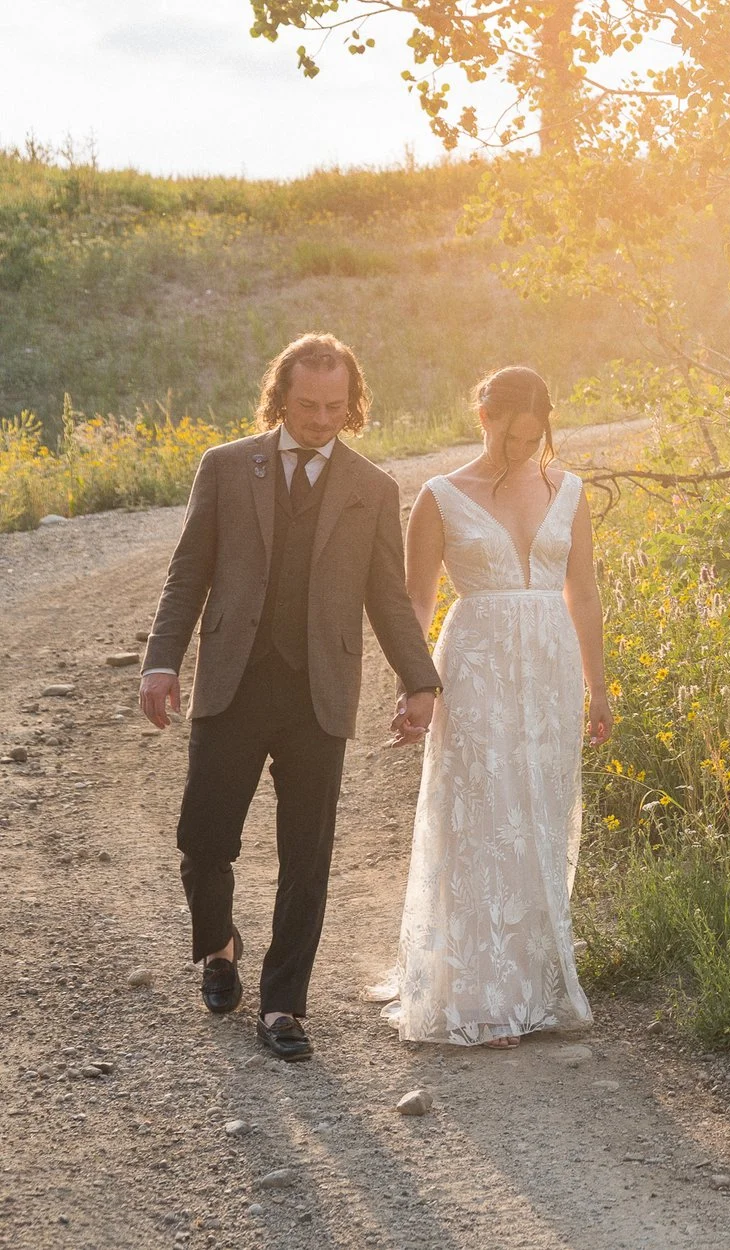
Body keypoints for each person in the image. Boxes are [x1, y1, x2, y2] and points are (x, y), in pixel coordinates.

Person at [140, 333, 443, 1062]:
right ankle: (218, 944)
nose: (320, 419)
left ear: (353, 402)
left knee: (306, 854)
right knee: (203, 837)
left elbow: (389, 599)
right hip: (234, 682)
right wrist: (160, 663)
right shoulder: (223, 468)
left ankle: (282, 1004)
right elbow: (188, 574)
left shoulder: (372, 488)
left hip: (320, 690)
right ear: (282, 397)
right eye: (307, 405)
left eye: (336, 406)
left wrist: (420, 680)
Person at [375, 365, 610, 1047]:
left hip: (551, 668)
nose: (522, 452)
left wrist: (600, 688)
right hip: (475, 665)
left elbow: (585, 594)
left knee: (538, 813)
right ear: (483, 417)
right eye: (511, 439)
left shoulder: (567, 491)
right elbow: (415, 602)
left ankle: (532, 985)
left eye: (534, 441)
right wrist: (411, 683)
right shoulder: (440, 496)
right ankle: (478, 994)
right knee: (480, 814)